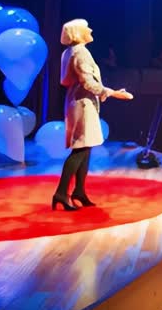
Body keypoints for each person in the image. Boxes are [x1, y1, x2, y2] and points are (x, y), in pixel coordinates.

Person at [53, 19, 132, 211]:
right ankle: (61, 194)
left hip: (81, 101)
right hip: (83, 103)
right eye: (85, 28)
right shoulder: (80, 52)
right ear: (78, 33)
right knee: (80, 149)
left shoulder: (70, 52)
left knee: (85, 148)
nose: (90, 29)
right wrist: (113, 93)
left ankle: (79, 191)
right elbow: (88, 82)